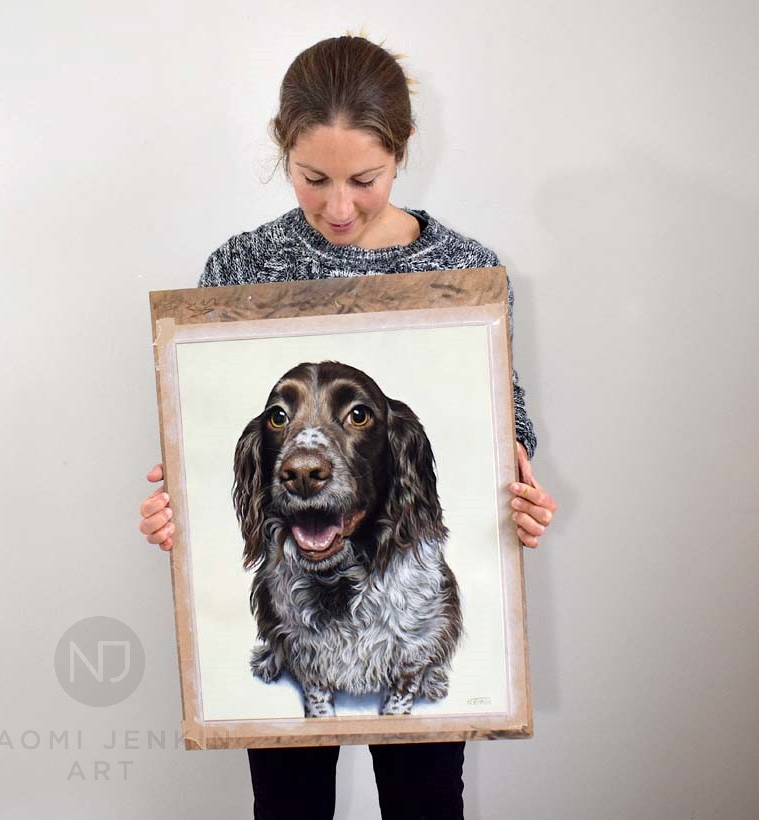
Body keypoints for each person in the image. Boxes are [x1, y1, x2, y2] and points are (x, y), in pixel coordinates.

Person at [138, 33, 557, 820]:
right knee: (290, 807)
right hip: (291, 599)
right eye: (313, 179)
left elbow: (505, 413)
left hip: (408, 586)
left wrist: (520, 479)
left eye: (365, 180)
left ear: (401, 153)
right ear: (282, 154)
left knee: (426, 803)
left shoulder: (463, 269)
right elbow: (199, 425)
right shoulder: (238, 269)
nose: (338, 207)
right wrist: (179, 506)